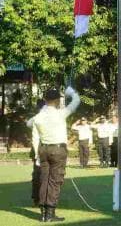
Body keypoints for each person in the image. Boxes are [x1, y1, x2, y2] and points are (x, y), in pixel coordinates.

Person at [29, 86, 81, 221]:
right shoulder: (60, 113)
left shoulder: (38, 116)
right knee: (55, 181)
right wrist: (71, 92)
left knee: (44, 180)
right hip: (58, 150)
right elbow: (76, 102)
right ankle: (50, 214)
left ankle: (43, 214)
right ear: (57, 100)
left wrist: (36, 156)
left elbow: (35, 138)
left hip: (43, 149)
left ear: (45, 99)